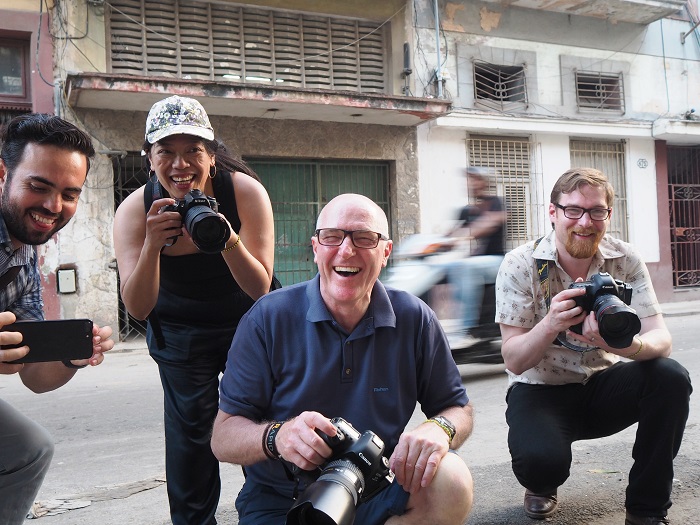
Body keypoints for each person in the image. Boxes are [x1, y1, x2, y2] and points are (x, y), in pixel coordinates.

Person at [211, 193, 474, 525]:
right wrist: (279, 436)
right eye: (332, 236)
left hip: (377, 489)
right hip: (284, 500)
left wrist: (439, 428)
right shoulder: (267, 318)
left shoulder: (414, 318)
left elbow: (457, 407)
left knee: (452, 477)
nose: (346, 250)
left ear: (386, 252)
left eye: (364, 238)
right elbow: (223, 438)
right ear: (316, 247)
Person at [495, 167, 692, 525]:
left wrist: (622, 346)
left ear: (608, 215)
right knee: (542, 463)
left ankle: (646, 510)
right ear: (553, 212)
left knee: (670, 377)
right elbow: (514, 359)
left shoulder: (625, 259)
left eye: (596, 211)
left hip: (603, 385)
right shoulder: (520, 264)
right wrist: (551, 323)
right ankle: (542, 483)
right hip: (541, 389)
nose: (585, 222)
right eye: (573, 210)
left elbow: (660, 339)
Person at [113, 95, 276, 525]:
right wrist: (152, 245)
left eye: (192, 151)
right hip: (180, 329)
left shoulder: (243, 192)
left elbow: (260, 287)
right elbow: (138, 306)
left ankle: (271, 513)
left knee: (260, 424)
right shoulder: (134, 210)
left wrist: (227, 239)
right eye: (166, 151)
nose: (180, 164)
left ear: (211, 156)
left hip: (248, 322)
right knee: (190, 441)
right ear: (149, 159)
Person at [0, 113, 115, 524]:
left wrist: (72, 357)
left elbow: (32, 374)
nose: (53, 207)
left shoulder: (27, 257)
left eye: (70, 193)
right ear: (2, 173)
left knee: (29, 450)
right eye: (39, 187)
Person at [444, 166, 506, 346]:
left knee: (465, 267)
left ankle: (465, 331)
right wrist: (430, 244)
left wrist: (462, 234)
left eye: (475, 179)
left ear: (485, 182)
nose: (471, 183)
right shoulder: (466, 211)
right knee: (444, 268)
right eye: (469, 179)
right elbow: (450, 234)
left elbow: (487, 225)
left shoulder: (497, 203)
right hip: (478, 263)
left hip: (497, 262)